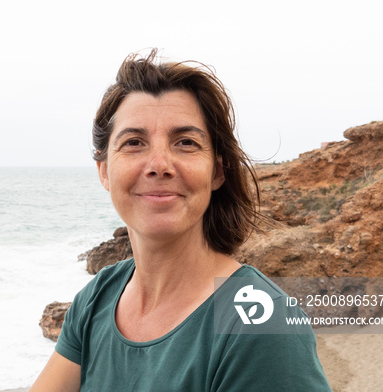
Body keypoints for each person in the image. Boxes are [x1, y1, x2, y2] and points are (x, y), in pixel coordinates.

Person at [30, 49, 331, 391]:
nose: (160, 164)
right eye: (134, 142)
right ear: (104, 172)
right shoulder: (96, 298)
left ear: (217, 171)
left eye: (186, 142)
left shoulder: (260, 322)